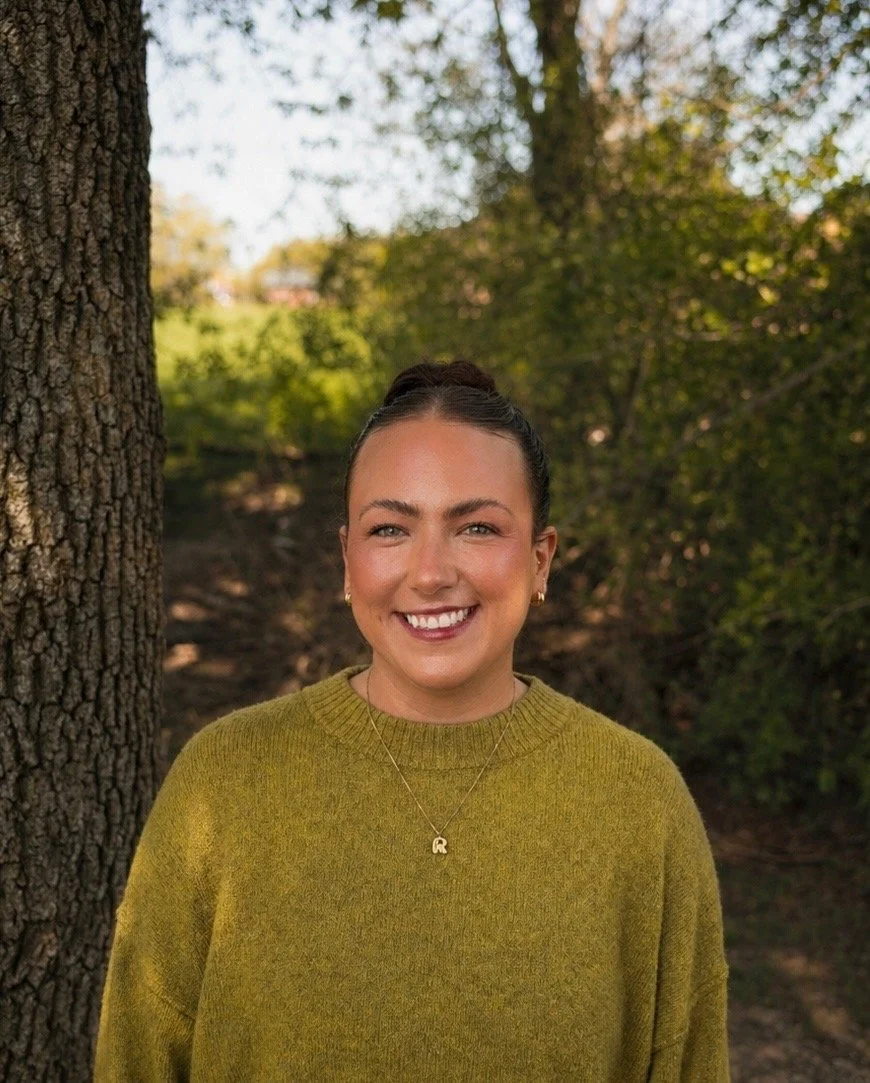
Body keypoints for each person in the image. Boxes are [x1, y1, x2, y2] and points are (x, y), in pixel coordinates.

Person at [95, 360, 730, 1081]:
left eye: (478, 526)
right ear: (347, 560)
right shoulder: (223, 781)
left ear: (541, 559)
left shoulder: (640, 800)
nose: (429, 572)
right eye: (391, 527)